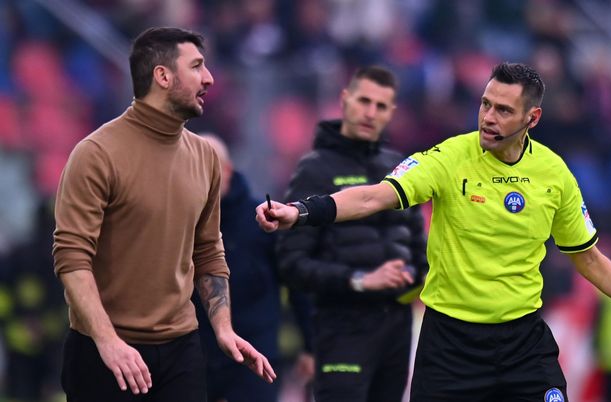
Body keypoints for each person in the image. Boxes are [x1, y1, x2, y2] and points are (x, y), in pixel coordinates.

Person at [256, 62, 611, 402]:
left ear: (533, 118)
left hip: (522, 340)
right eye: (485, 104)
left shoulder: (555, 174)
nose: (489, 118)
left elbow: (586, 254)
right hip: (450, 344)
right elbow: (374, 197)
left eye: (503, 110)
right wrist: (303, 211)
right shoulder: (450, 156)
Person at [52, 27, 275, 402]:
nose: (209, 78)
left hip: (181, 353)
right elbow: (72, 259)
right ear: (163, 76)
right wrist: (108, 342)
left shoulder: (205, 157)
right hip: (104, 353)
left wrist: (223, 329)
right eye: (197, 66)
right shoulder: (96, 154)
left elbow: (208, 252)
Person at [275, 65, 429, 402]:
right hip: (341, 323)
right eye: (364, 101)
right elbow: (290, 263)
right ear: (345, 100)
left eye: (381, 106)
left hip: (397, 325)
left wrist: (413, 275)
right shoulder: (314, 169)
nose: (370, 113)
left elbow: (421, 251)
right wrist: (360, 279)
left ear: (392, 113)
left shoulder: (402, 168)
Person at [195, 134, 281, 402]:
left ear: (228, 170)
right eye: (193, 168)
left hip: (254, 351)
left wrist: (310, 347)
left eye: (209, 167)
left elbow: (295, 284)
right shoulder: (178, 221)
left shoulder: (262, 219)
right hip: (197, 352)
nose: (200, 177)